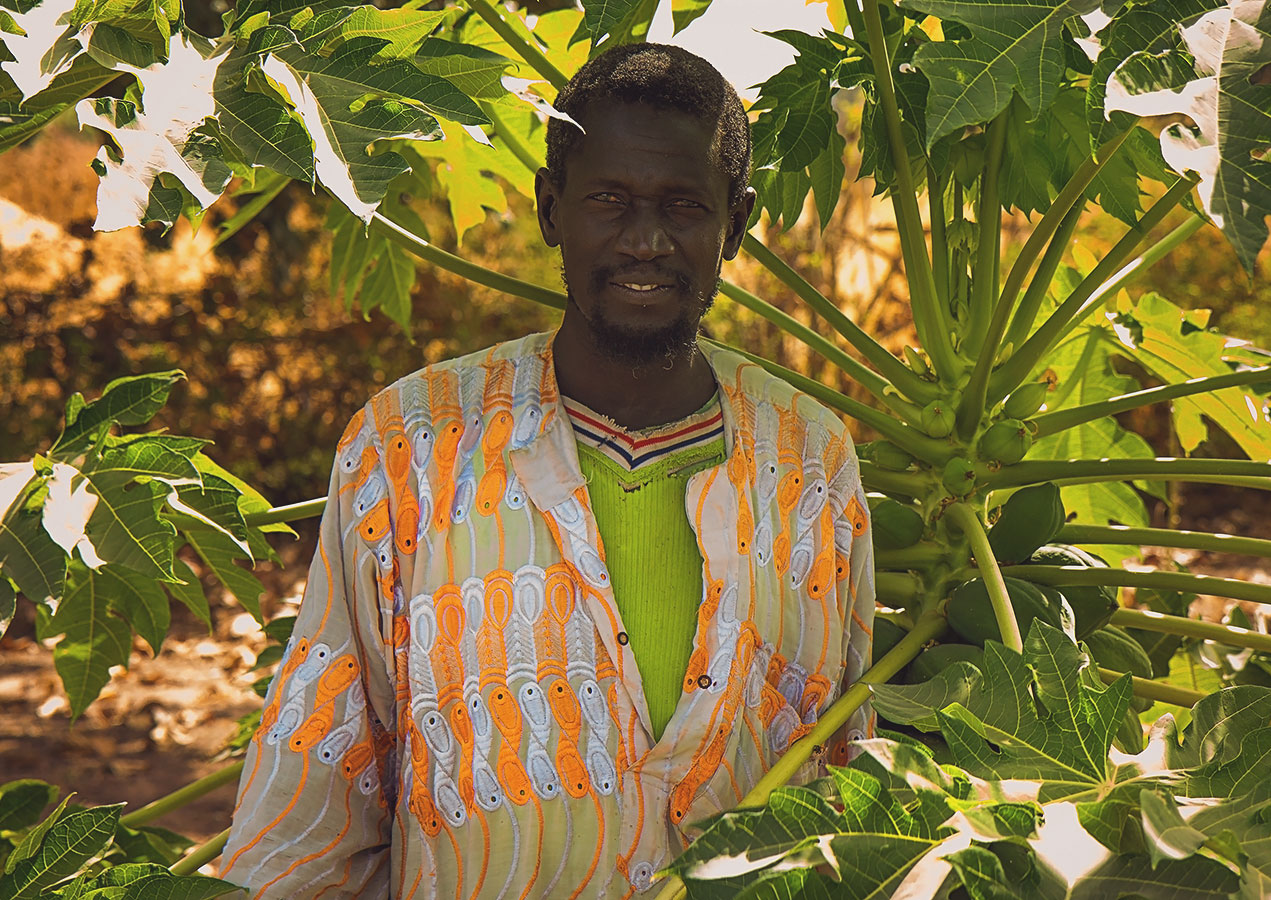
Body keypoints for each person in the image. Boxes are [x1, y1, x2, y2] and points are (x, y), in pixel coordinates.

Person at [216, 42, 874, 900]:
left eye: (683, 206)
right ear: (551, 208)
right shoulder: (408, 446)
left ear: (736, 223)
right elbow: (320, 782)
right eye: (609, 201)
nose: (646, 240)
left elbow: (846, 771)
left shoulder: (814, 462)